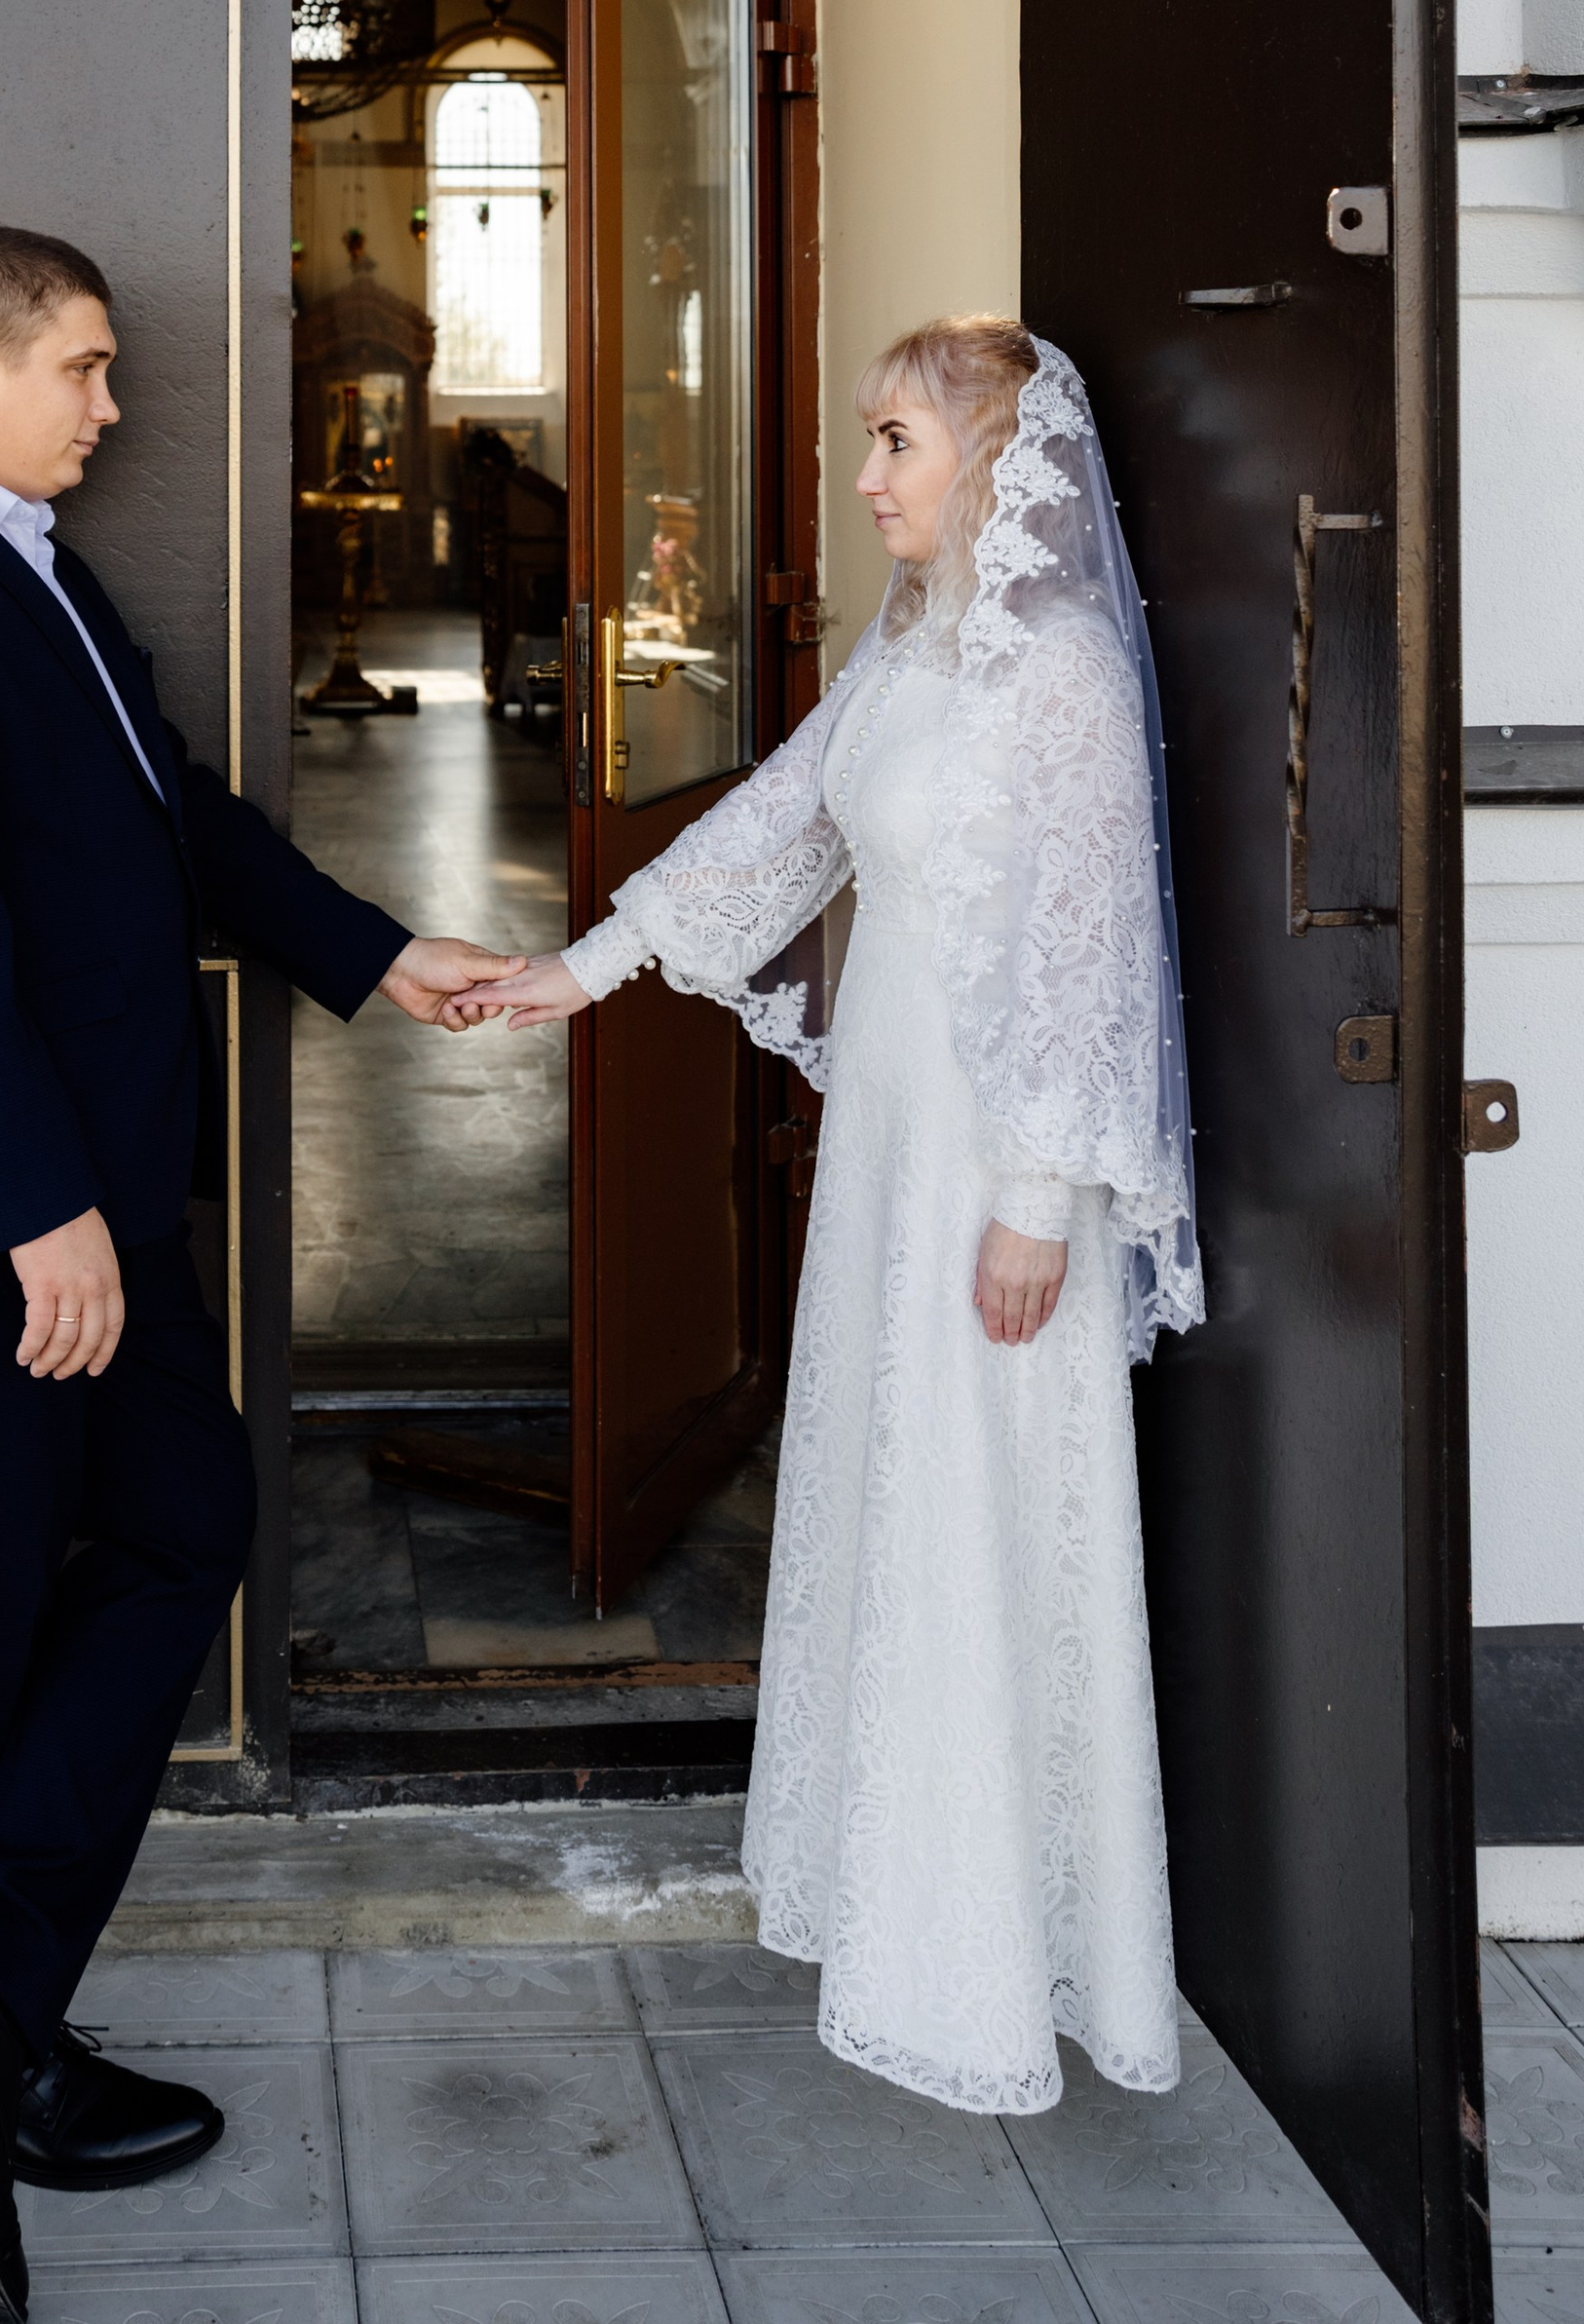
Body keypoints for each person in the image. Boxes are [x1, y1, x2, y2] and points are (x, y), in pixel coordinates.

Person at [0, 226, 516, 2315]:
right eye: (84, 370)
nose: (113, 405)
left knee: (180, 1520)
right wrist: (31, 1207)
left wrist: (380, 958)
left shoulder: (26, 561)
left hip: (93, 1191)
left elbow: (169, 825)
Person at [449, 318, 1202, 2115]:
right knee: (886, 1477)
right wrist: (588, 964)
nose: (864, 479)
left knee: (984, 1495)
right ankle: (888, 1893)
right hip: (885, 1133)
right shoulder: (912, 649)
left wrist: (1035, 1201)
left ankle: (996, 1961)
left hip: (995, 1156)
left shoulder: (1069, 676)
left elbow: (1095, 957)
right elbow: (785, 822)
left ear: (1000, 464)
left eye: (893, 443)